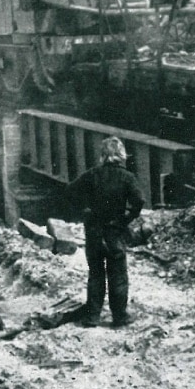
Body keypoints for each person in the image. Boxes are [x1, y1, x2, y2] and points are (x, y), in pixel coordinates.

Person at [66, 136, 145, 328]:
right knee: (117, 274)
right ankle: (119, 318)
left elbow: (70, 191)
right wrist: (125, 219)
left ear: (103, 155)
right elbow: (139, 202)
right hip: (114, 231)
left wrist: (85, 211)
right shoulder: (127, 177)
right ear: (121, 154)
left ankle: (92, 316)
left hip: (94, 231)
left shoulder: (92, 174)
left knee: (96, 274)